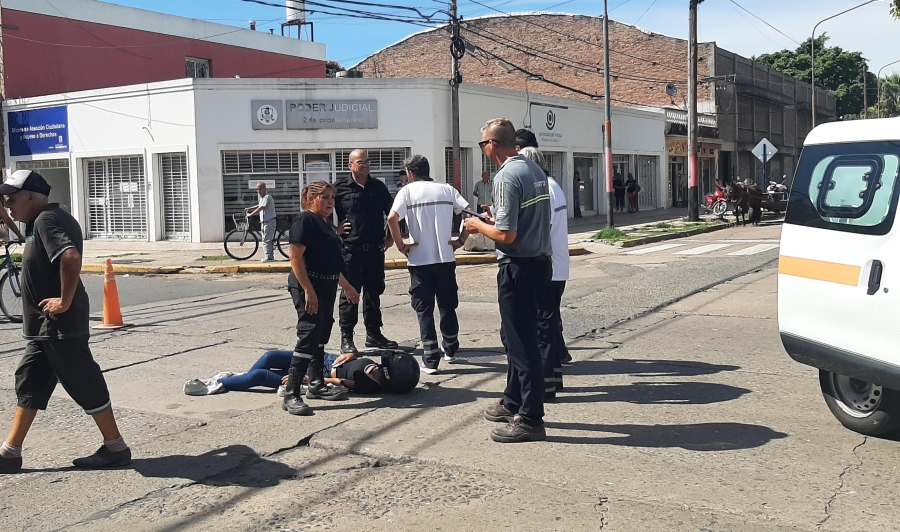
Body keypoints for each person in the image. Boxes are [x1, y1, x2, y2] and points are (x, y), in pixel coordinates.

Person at [0, 170, 131, 473]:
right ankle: (10, 452)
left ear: (30, 197)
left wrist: (64, 301)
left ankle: (116, 448)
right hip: (45, 327)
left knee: (83, 379)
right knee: (30, 380)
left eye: (11, 197)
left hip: (58, 323)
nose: (7, 204)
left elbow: (69, 258)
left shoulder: (46, 220)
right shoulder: (39, 221)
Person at [464, 118, 552, 444]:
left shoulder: (505, 176)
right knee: (518, 338)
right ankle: (512, 400)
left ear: (492, 146)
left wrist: (477, 225)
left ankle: (530, 418)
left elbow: (506, 234)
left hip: (518, 267)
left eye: (482, 144)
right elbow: (526, 219)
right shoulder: (534, 171)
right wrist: (493, 217)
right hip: (539, 264)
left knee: (521, 344)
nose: (483, 150)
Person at [283, 180, 361, 416]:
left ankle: (316, 384)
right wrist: (308, 290)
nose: (330, 202)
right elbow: (295, 258)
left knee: (321, 334)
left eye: (332, 198)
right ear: (311, 198)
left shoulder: (325, 223)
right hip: (311, 285)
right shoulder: (305, 219)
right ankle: (291, 394)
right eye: (325, 197)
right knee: (308, 335)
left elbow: (331, 263)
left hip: (327, 285)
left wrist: (347, 287)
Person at [387, 155, 470, 375]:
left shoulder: (407, 192)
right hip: (445, 258)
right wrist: (461, 240)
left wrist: (401, 245)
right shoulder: (446, 189)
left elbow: (392, 218)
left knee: (424, 309)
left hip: (419, 260)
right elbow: (469, 213)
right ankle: (451, 348)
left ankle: (431, 359)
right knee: (447, 305)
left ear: (411, 174)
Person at [518, 147, 570, 397]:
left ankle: (546, 383)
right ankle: (553, 378)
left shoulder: (543, 189)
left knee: (542, 328)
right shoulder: (553, 185)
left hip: (548, 266)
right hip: (557, 266)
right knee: (548, 325)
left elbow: (541, 225)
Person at [335, 149, 398, 353]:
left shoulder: (378, 187)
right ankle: (347, 338)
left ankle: (374, 335)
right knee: (350, 295)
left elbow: (393, 213)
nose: (365, 165)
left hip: (374, 251)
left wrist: (390, 238)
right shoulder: (339, 189)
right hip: (350, 251)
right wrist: (334, 231)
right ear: (350, 166)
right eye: (360, 162)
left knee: (374, 293)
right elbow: (321, 211)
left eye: (367, 161)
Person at [183, 349, 419, 396]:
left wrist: (307, 379)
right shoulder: (377, 367)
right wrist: (352, 355)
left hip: (315, 375)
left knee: (259, 377)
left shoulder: (369, 384)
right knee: (270, 357)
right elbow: (356, 359)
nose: (380, 364)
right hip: (323, 358)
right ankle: (239, 378)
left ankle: (221, 384)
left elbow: (336, 381)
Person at [245, 182, 276, 262]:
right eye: (257, 189)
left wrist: (250, 214)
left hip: (269, 221)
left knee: (266, 239)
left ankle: (269, 257)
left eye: (260, 188)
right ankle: (268, 255)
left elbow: (261, 208)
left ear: (264, 189)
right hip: (265, 221)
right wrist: (249, 208)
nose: (258, 190)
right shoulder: (262, 198)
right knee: (265, 239)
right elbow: (259, 205)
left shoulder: (267, 197)